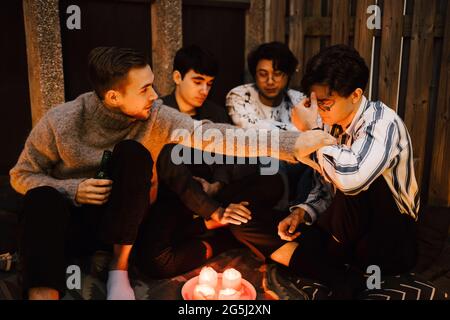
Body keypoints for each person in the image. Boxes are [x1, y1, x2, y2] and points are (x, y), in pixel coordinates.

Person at [10, 46, 335, 300]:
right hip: (71, 222)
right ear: (113, 96)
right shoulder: (61, 121)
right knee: (41, 197)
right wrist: (72, 189)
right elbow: (21, 174)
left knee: (134, 153)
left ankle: (118, 271)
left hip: (122, 221)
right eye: (145, 89)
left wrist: (295, 142)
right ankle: (43, 294)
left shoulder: (157, 117)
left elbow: (223, 136)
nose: (155, 95)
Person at [229, 45, 419, 299]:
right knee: (244, 220)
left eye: (326, 103)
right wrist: (302, 212)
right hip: (340, 235)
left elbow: (349, 181)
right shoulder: (327, 123)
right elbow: (324, 185)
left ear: (355, 95)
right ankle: (336, 274)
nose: (318, 110)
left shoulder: (383, 123)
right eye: (314, 101)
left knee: (355, 177)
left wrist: (310, 134)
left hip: (385, 241)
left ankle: (329, 266)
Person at [134, 44, 285, 278]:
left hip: (216, 194)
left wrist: (217, 184)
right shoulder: (158, 112)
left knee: (271, 178)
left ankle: (224, 222)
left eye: (210, 83)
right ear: (177, 77)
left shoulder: (214, 113)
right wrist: (209, 207)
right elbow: (171, 173)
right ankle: (222, 235)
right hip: (177, 199)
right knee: (156, 261)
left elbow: (228, 157)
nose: (204, 90)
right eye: (198, 81)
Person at [226, 41, 312, 207]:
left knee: (315, 161)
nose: (270, 81)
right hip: (255, 164)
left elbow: (312, 134)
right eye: (263, 74)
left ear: (287, 76)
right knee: (270, 150)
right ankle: (280, 210)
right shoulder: (239, 96)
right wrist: (296, 132)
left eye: (277, 73)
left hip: (296, 162)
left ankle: (300, 212)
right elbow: (257, 134)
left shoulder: (299, 100)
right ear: (254, 75)